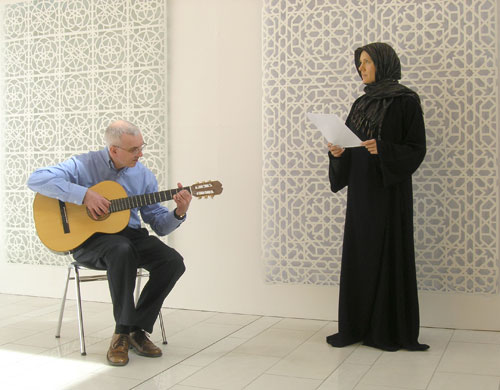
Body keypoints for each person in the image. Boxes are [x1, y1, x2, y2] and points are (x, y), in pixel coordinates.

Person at [28, 120, 192, 366]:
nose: (141, 153)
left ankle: (137, 330)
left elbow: (157, 223)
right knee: (121, 250)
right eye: (134, 149)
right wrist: (84, 195)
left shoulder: (143, 175)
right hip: (89, 241)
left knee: (172, 262)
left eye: (141, 147)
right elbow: (36, 179)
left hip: (130, 235)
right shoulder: (83, 165)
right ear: (114, 150)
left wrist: (178, 212)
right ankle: (122, 333)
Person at [326, 42, 429, 351]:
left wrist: (383, 149)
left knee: (387, 255)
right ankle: (356, 327)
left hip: (389, 194)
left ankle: (387, 331)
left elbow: (416, 148)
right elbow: (347, 142)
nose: (361, 68)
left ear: (383, 64)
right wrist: (338, 152)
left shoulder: (405, 101)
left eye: (367, 62)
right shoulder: (360, 104)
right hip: (361, 195)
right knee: (360, 255)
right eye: (360, 63)